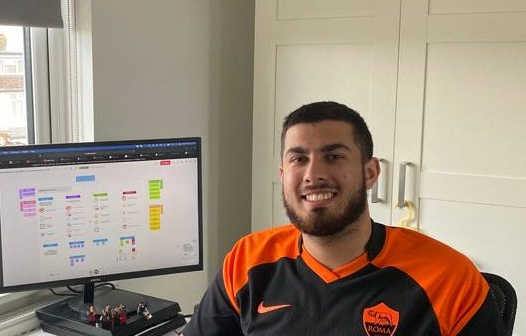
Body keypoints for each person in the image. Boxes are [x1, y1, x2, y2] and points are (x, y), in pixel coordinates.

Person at [182, 101, 504, 335]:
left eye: (334, 156)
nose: (314, 174)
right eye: (299, 159)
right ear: (283, 174)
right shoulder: (248, 260)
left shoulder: (449, 278)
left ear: (370, 172)